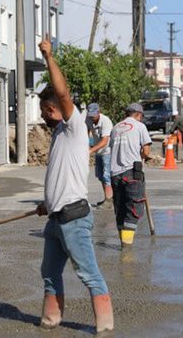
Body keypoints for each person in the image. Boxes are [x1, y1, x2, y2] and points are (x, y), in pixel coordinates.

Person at [36, 35, 114, 332]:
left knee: (88, 274)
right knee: (49, 272)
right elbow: (61, 175)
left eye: (45, 110)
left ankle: (105, 326)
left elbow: (64, 93)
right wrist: (48, 203)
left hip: (74, 217)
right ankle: (50, 319)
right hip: (56, 217)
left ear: (55, 109)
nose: (43, 116)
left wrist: (49, 58)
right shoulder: (59, 134)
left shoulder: (73, 126)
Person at [109, 103, 152, 247]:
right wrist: (141, 155)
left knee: (120, 209)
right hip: (132, 171)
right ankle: (126, 248)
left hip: (115, 174)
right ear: (139, 115)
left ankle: (123, 242)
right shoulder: (140, 127)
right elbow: (146, 151)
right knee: (133, 209)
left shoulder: (115, 128)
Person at [85, 103, 114, 209]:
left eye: (93, 115)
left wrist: (91, 150)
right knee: (101, 176)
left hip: (107, 151)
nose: (92, 118)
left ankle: (109, 201)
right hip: (98, 151)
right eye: (90, 115)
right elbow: (85, 133)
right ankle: (107, 197)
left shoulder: (106, 121)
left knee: (107, 176)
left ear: (99, 112)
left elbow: (105, 141)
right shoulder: (88, 119)